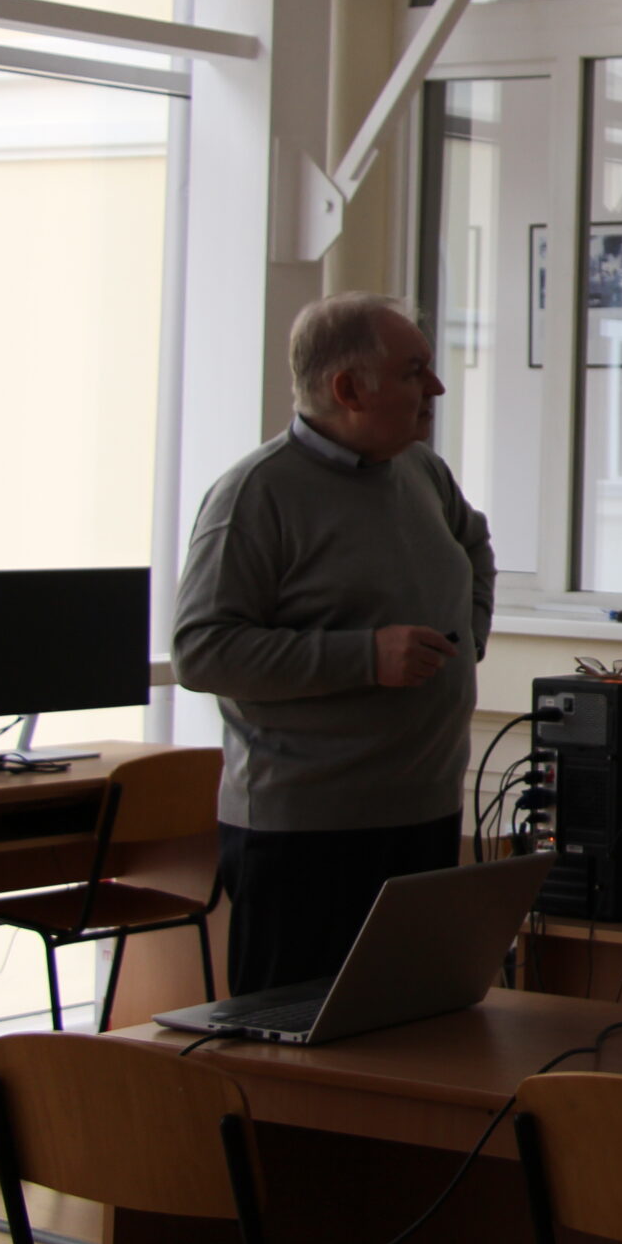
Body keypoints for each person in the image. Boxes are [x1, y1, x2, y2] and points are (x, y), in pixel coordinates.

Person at [172, 293, 495, 994]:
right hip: (305, 836)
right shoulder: (255, 494)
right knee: (293, 1044)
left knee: (413, 1029)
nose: (437, 388)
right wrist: (366, 658)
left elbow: (474, 543)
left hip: (425, 812)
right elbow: (202, 649)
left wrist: (467, 635)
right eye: (414, 372)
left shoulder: (423, 472)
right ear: (349, 389)